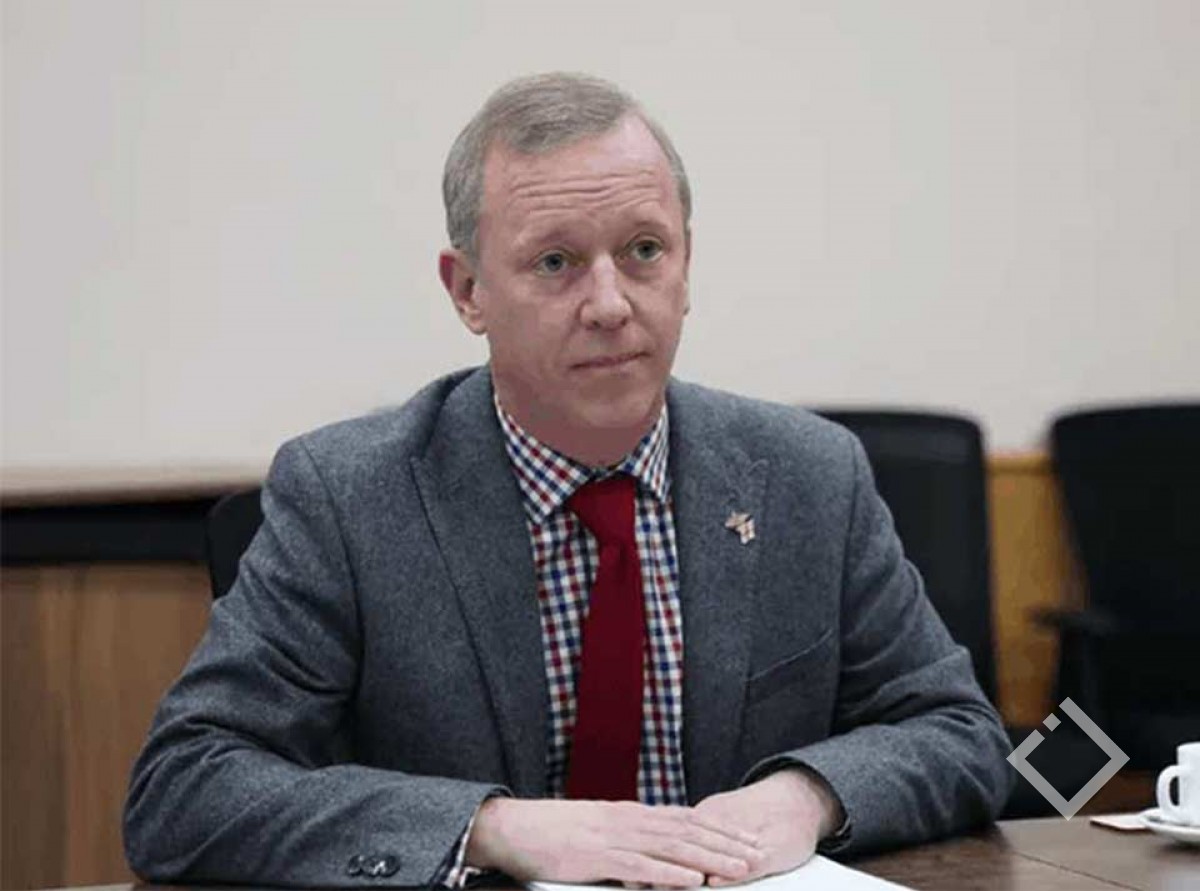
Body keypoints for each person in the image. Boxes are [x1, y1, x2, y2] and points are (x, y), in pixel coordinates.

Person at [124, 72, 1013, 888]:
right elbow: (185, 785)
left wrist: (807, 793)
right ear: (468, 291)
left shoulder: (808, 476)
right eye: (555, 262)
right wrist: (490, 827)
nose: (611, 304)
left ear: (687, 266)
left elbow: (959, 730)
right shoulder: (350, 497)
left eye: (644, 250)